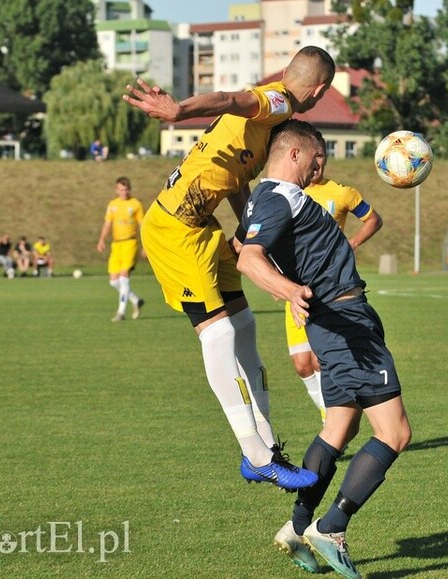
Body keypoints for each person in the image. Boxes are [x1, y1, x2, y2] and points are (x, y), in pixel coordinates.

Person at [122, 45, 335, 491]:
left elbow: (237, 184)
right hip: (173, 230)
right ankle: (256, 455)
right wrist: (177, 110)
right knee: (218, 334)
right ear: (318, 90)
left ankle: (267, 446)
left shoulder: (265, 129)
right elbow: (230, 98)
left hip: (202, 229)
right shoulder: (278, 101)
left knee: (244, 326)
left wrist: (250, 232)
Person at [236, 119, 411, 579]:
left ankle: (296, 528)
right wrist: (290, 290)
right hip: (346, 324)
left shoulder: (266, 197)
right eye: (317, 159)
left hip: (333, 322)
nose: (320, 169)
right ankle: (330, 528)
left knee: (340, 426)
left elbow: (242, 240)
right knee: (394, 433)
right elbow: (247, 256)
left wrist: (289, 285)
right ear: (294, 154)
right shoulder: (278, 197)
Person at [285, 134, 383, 424]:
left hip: (330, 290)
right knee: (302, 365)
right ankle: (330, 417)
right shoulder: (290, 194)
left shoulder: (341, 193)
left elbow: (374, 219)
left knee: (319, 360)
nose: (317, 163)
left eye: (321, 157)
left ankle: (332, 422)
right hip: (297, 288)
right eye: (312, 156)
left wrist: (350, 243)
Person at [97, 177, 146, 322]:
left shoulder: (135, 204)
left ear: (129, 189)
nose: (124, 192)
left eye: (126, 189)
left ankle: (121, 312)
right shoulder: (112, 205)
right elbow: (107, 223)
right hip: (116, 244)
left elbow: (142, 225)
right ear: (116, 190)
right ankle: (136, 300)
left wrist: (145, 245)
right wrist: (101, 239)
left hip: (130, 243)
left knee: (124, 278)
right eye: (121, 189)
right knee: (113, 281)